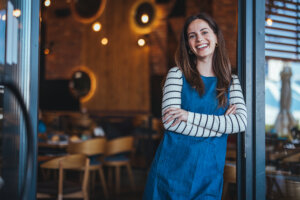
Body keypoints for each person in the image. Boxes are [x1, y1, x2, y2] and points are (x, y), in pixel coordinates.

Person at [143, 13, 247, 200]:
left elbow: (239, 123)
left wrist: (189, 116)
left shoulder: (232, 82)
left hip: (209, 173)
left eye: (204, 32)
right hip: (172, 172)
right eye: (192, 35)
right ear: (189, 46)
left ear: (216, 38)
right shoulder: (176, 75)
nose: (199, 38)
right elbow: (171, 124)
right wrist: (221, 126)